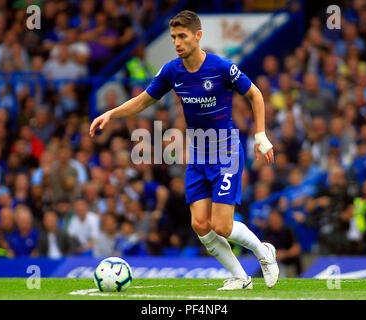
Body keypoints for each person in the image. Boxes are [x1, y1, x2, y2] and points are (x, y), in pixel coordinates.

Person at [90, 10, 278, 290]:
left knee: (222, 226)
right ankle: (241, 277)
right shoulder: (172, 71)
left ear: (197, 36)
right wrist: (111, 114)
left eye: (182, 36)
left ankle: (264, 253)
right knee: (201, 224)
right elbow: (143, 101)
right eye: (174, 37)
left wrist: (261, 134)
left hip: (226, 152)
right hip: (198, 154)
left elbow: (255, 94)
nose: (177, 42)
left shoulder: (221, 67)